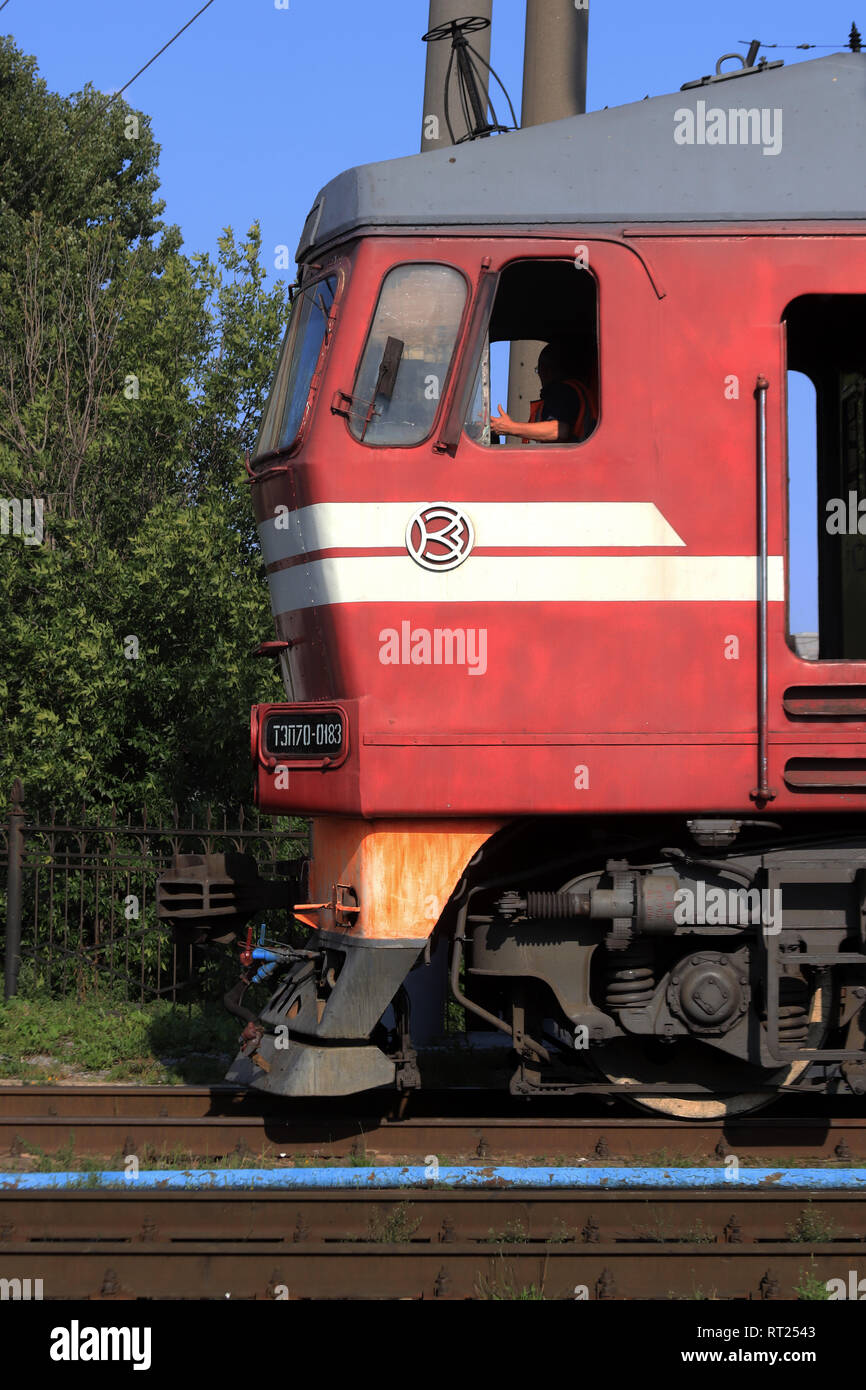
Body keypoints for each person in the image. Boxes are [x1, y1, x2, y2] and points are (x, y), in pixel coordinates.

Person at [490, 341, 597, 443]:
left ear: (547, 370)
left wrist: (511, 427)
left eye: (538, 370)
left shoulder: (563, 391)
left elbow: (559, 430)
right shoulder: (579, 392)